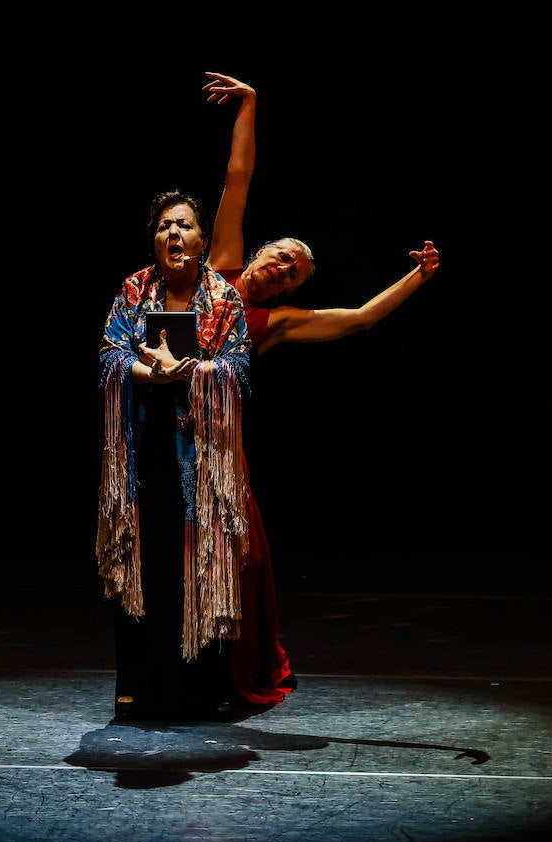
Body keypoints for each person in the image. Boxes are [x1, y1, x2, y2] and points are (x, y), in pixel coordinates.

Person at [202, 71, 441, 705]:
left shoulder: (275, 326)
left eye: (295, 272)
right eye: (281, 254)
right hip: (159, 423)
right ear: (260, 252)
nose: (283, 268)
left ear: (289, 290)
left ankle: (234, 665)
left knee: (243, 558)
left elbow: (360, 317)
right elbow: (237, 177)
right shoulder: (217, 264)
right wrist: (250, 103)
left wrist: (418, 276)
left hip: (218, 443)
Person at [96, 189, 253, 721]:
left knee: (198, 564)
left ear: (202, 239)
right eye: (165, 226)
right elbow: (110, 355)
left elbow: (239, 371)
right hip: (143, 450)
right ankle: (139, 691)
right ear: (155, 239)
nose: (174, 235)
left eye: (184, 225)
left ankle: (198, 691)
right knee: (147, 565)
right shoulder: (135, 290)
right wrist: (150, 372)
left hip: (202, 458)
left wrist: (188, 371)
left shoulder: (224, 299)